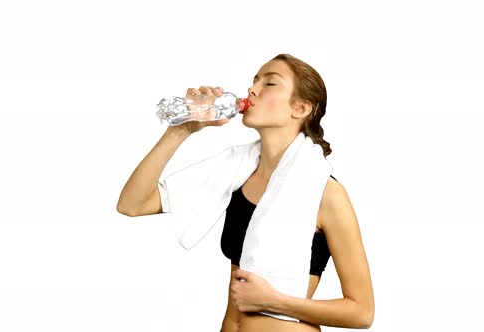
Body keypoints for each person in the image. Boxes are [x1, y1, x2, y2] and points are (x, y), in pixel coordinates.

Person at [117, 54, 375, 331]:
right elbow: (132, 204)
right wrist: (182, 130)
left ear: (300, 108)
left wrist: (273, 301)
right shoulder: (236, 174)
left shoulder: (325, 193)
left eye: (270, 83)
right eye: (254, 81)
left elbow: (361, 312)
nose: (253, 90)